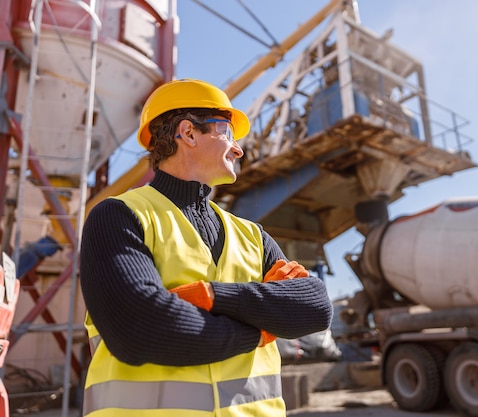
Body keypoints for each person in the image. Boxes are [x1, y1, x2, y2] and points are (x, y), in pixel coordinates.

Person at [79, 78, 333, 417]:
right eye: (227, 131)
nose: (238, 148)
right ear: (189, 133)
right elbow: (140, 330)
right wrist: (260, 331)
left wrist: (213, 297)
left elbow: (315, 306)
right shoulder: (118, 216)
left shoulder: (251, 235)